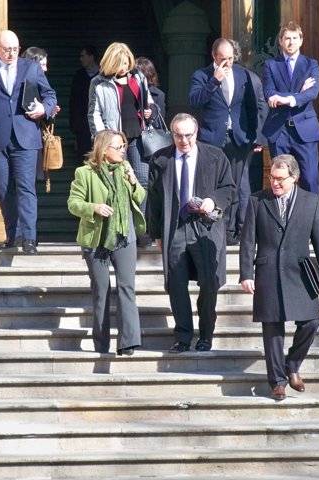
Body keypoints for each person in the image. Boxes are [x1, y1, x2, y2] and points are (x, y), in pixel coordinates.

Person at [239, 154, 319, 401]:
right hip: (268, 270)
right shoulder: (257, 201)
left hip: (300, 272)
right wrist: (246, 273)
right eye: (272, 177)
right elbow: (248, 241)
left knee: (311, 322)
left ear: (294, 178)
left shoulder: (311, 202)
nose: (275, 183)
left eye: (281, 178)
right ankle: (277, 382)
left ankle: (292, 365)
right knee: (272, 329)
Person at [147, 113, 236, 353]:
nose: (184, 140)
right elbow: (154, 200)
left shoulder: (215, 156)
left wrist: (213, 200)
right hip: (174, 228)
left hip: (205, 229)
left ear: (196, 133)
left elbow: (229, 188)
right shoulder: (161, 159)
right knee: (175, 285)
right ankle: (183, 337)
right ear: (172, 134)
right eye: (178, 135)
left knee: (209, 283)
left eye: (188, 135)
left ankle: (206, 335)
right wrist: (155, 233)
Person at [0, 30, 57, 254]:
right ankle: (12, 234)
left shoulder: (32, 68)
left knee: (26, 188)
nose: (11, 54)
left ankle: (29, 238)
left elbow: (50, 95)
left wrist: (43, 108)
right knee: (5, 190)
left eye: (15, 49)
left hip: (25, 137)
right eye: (7, 50)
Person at [67, 129, 145, 355]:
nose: (123, 151)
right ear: (103, 149)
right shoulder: (85, 173)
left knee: (127, 288)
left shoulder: (125, 170)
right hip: (97, 238)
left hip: (124, 236)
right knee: (101, 291)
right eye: (118, 147)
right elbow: (73, 203)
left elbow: (140, 197)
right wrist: (94, 208)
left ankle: (128, 342)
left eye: (124, 147)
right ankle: (101, 343)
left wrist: (132, 181)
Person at [189, 38, 258, 245]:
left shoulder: (242, 74)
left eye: (230, 58)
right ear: (213, 56)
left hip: (238, 137)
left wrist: (254, 136)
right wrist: (214, 81)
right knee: (215, 185)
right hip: (213, 139)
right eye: (222, 59)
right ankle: (217, 227)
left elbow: (251, 106)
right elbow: (194, 101)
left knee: (238, 186)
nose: (227, 63)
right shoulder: (202, 75)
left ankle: (237, 231)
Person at [88, 42, 154, 239]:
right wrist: (102, 139)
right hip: (114, 140)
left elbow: (147, 100)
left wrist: (149, 110)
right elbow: (94, 113)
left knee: (141, 180)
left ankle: (138, 229)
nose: (124, 67)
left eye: (126, 63)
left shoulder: (138, 77)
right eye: (120, 63)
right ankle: (118, 229)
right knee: (116, 183)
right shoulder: (99, 82)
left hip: (138, 136)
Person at [262, 21, 319, 194]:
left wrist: (288, 99)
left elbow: (313, 93)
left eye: (295, 38)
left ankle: (313, 220)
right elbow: (269, 93)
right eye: (287, 38)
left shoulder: (311, 64)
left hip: (305, 130)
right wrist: (298, 93)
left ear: (301, 40)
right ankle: (283, 219)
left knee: (310, 178)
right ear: (280, 41)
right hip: (279, 131)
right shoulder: (270, 65)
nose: (291, 42)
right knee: (280, 180)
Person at [228, 38, 269, 195]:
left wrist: (257, 140)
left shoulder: (248, 77)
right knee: (248, 180)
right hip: (251, 138)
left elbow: (260, 109)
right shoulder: (252, 76)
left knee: (244, 181)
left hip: (245, 138)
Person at [21, 46, 61, 182]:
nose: (45, 69)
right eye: (42, 65)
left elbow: (49, 99)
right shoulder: (20, 82)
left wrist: (48, 112)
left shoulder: (41, 87)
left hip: (33, 141)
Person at [70, 45, 100, 157]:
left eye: (83, 56)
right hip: (82, 125)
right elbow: (74, 103)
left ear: (91, 57)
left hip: (100, 124)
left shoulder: (103, 75)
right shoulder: (79, 76)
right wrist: (75, 129)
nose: (81, 59)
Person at [135, 56, 166, 129]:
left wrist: (152, 114)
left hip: (149, 135)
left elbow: (160, 121)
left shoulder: (158, 94)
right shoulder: (128, 91)